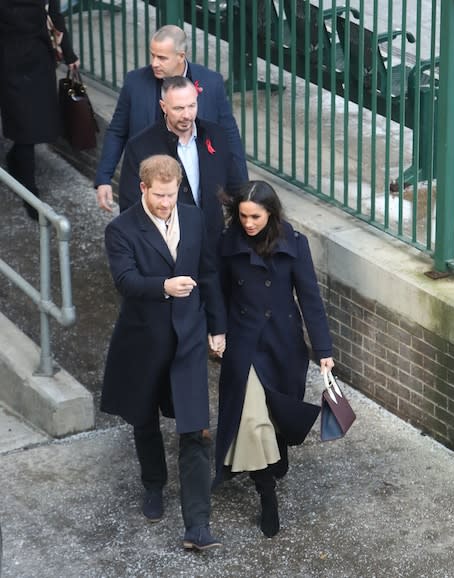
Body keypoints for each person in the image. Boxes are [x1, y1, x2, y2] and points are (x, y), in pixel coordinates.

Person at [101, 154, 227, 551]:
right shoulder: (120, 229)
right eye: (158, 196)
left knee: (195, 428)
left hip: (188, 338)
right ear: (143, 188)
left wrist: (217, 327)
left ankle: (198, 525)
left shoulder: (190, 217)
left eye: (171, 195)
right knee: (145, 420)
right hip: (144, 340)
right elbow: (125, 280)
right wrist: (164, 287)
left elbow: (207, 272)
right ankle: (153, 485)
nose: (165, 203)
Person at [213, 180, 335, 538]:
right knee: (250, 419)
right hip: (244, 344)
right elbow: (218, 292)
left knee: (276, 412)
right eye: (243, 216)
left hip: (283, 344)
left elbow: (310, 298)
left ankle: (277, 450)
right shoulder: (228, 244)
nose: (248, 223)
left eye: (255, 216)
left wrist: (324, 351)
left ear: (272, 214)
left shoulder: (294, 245)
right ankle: (266, 494)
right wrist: (217, 331)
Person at [95, 24, 248, 212]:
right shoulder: (135, 82)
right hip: (150, 187)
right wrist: (104, 178)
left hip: (196, 188)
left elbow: (229, 134)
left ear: (181, 57)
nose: (154, 63)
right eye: (152, 55)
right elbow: (117, 131)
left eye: (162, 58)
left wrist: (244, 190)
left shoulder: (211, 82)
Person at [118, 75, 245, 250]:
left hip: (213, 245)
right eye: (178, 108)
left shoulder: (216, 135)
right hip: (169, 250)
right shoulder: (140, 147)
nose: (187, 115)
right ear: (164, 107)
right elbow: (130, 206)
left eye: (191, 106)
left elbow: (236, 188)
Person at [0, 0, 79, 220]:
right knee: (27, 123)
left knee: (26, 121)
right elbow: (56, 18)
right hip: (33, 57)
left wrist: (70, 54)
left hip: (16, 58)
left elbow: (55, 17)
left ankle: (19, 166)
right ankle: (29, 190)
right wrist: (69, 54)